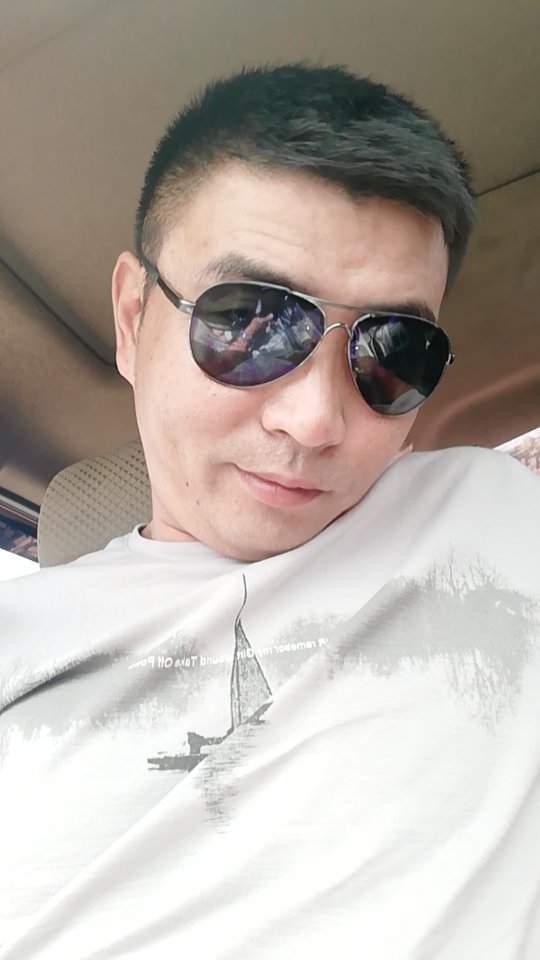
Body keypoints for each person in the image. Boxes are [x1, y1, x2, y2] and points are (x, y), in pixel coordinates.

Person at [1, 63, 539, 960]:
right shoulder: (17, 641)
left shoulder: (499, 512)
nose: (316, 420)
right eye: (249, 322)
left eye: (394, 351)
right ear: (133, 319)